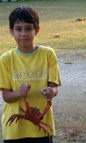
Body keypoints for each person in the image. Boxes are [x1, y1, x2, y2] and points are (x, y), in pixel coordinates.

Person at [0, 6, 61, 143]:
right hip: (15, 131)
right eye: (18, 29)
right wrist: (19, 93)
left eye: (28, 28)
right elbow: (6, 96)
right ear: (11, 31)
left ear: (37, 30)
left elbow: (54, 88)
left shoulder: (48, 54)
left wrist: (51, 91)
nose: (24, 34)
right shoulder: (6, 59)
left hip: (42, 130)